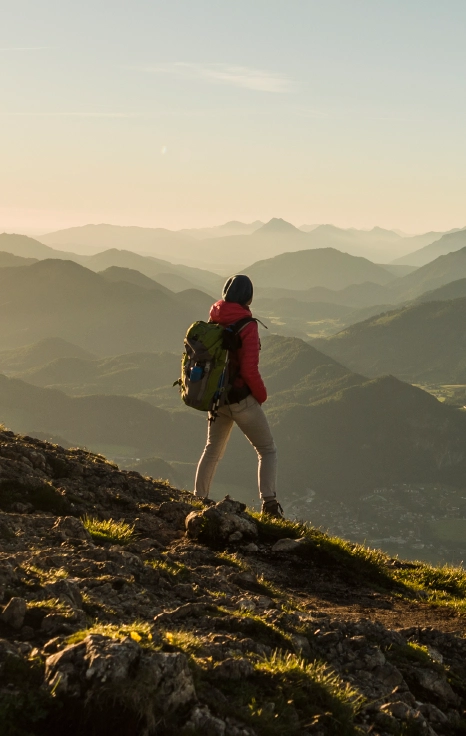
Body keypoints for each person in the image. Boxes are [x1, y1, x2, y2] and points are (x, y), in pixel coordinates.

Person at [194, 274, 283, 518]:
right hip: (242, 399)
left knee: (212, 450)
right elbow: (249, 370)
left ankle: (198, 498)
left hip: (217, 398)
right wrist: (261, 396)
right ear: (248, 297)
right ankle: (269, 504)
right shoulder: (247, 325)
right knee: (267, 450)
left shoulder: (214, 318)